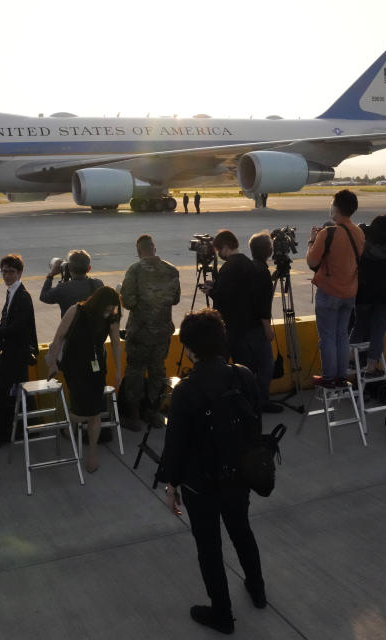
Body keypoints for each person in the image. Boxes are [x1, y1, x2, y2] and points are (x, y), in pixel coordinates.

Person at [157, 309, 266, 634]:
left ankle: (222, 613)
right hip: (238, 476)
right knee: (242, 531)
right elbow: (254, 423)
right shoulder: (243, 375)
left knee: (209, 547)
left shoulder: (186, 390)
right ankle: (257, 590)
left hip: (200, 484)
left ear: (189, 348)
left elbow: (175, 443)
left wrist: (171, 484)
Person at [200, 230, 281, 411]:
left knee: (242, 368)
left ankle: (244, 402)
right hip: (247, 325)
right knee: (253, 366)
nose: (218, 254)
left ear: (226, 247)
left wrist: (211, 291)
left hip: (234, 327)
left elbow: (225, 297)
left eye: (219, 250)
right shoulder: (247, 264)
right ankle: (255, 401)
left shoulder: (229, 267)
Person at [46, 286, 123, 472]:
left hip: (96, 368)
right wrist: (53, 363)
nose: (109, 312)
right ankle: (70, 421)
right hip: (74, 367)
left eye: (112, 309)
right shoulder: (76, 311)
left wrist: (119, 370)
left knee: (95, 411)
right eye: (106, 308)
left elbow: (115, 343)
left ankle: (92, 454)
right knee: (82, 411)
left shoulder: (111, 317)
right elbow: (59, 336)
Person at [119, 234, 181, 430]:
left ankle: (134, 416)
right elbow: (176, 299)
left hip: (139, 333)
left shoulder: (135, 270)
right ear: (154, 249)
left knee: (135, 373)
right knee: (157, 371)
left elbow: (128, 302)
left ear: (139, 252)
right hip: (162, 333)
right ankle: (153, 413)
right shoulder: (172, 270)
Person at [305, 190, 366, 387]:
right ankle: (341, 376)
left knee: (327, 337)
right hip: (349, 291)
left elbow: (312, 262)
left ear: (336, 208)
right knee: (342, 335)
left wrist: (312, 241)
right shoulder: (359, 232)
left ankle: (329, 377)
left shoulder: (328, 233)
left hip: (329, 291)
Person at [0, 254, 38, 447]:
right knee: (17, 394)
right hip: (13, 353)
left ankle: (1, 435)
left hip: (16, 355)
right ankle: (23, 432)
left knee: (5, 395)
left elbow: (19, 327)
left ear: (20, 273)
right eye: (4, 271)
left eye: (11, 272)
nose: (7, 275)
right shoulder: (13, 292)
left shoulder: (22, 296)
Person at [350, 215, 386, 375]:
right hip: (385, 299)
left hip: (363, 296)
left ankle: (350, 360)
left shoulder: (363, 251)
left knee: (358, 327)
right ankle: (371, 366)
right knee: (378, 332)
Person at [40, 249, 104, 317]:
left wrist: (50, 275)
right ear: (89, 269)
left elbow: (43, 296)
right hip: (92, 326)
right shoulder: (98, 284)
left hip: (71, 326)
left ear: (69, 268)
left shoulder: (62, 288)